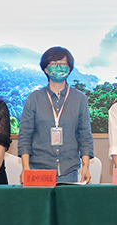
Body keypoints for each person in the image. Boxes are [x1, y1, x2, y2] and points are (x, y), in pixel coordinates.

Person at [18, 46, 94, 184]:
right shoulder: (34, 98)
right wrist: (25, 168)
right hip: (38, 170)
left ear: (69, 68)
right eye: (53, 63)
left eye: (63, 64)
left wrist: (85, 167)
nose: (59, 67)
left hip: (68, 171)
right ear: (46, 69)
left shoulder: (79, 98)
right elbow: (25, 135)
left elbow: (85, 136)